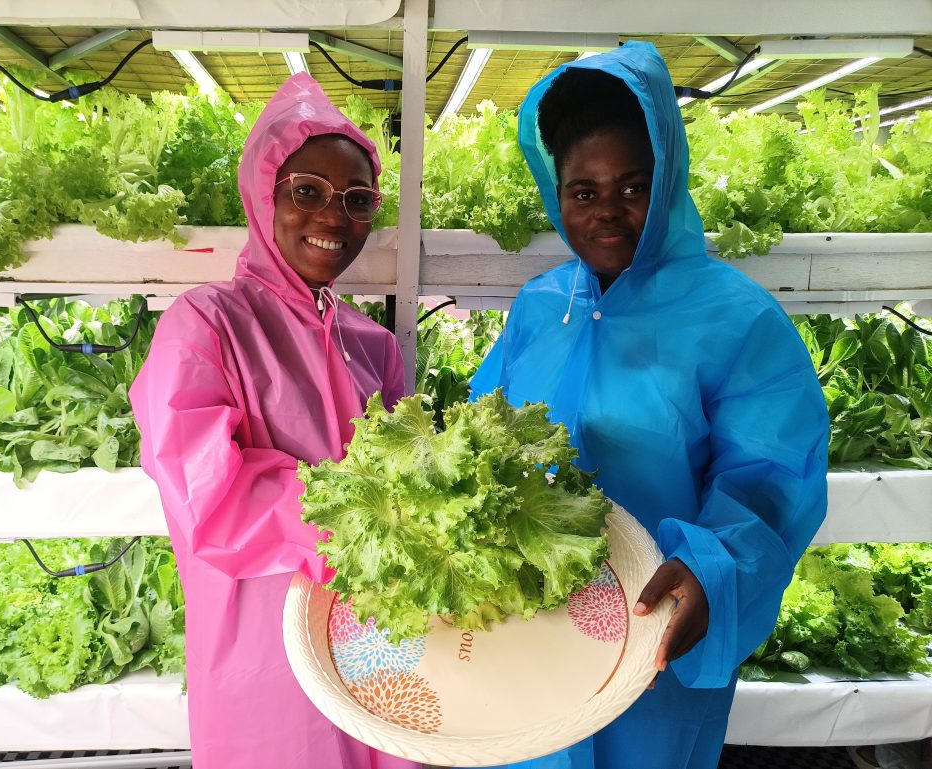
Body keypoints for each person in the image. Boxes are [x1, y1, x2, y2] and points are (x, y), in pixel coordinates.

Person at [468, 42, 829, 769]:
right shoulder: (542, 307)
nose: (608, 213)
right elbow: (486, 432)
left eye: (633, 187)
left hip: (656, 640)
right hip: (533, 638)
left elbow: (770, 485)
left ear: (667, 182)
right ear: (556, 191)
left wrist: (710, 569)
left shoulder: (739, 320)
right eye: (584, 191)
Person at [129, 74, 419, 769]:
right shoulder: (206, 324)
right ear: (266, 196)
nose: (333, 216)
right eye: (307, 191)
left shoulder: (371, 343)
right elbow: (209, 496)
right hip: (262, 657)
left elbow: (408, 469)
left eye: (357, 200)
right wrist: (360, 521)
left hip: (375, 645)